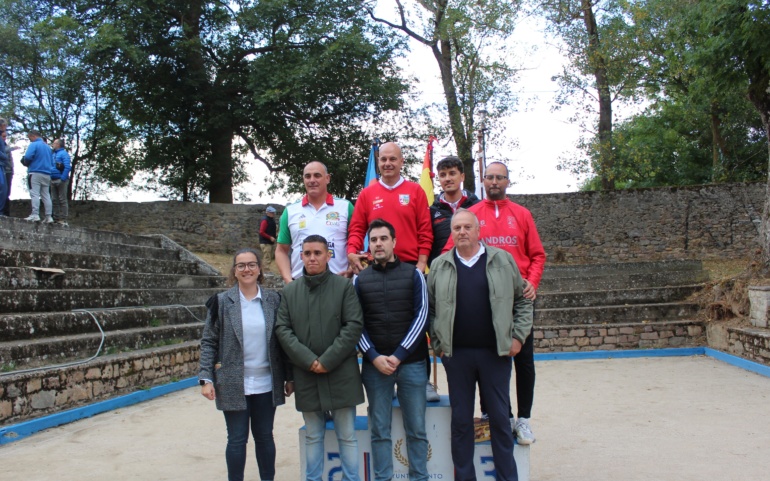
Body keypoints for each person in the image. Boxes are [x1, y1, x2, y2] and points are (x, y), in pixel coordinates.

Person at [443, 161, 546, 445]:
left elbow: (537, 255)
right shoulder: (472, 215)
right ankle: (497, 415)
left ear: (508, 182)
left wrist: (532, 284)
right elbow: (448, 252)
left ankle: (523, 418)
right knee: (491, 359)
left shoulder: (522, 215)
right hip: (485, 300)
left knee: (523, 359)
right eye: (489, 177)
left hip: (518, 299)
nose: (494, 182)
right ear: (482, 180)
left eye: (500, 177)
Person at [428, 209, 533, 481]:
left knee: (499, 419)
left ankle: (506, 477)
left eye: (467, 227)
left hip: (494, 354)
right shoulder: (440, 265)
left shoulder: (502, 260)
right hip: (457, 356)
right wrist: (438, 343)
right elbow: (430, 309)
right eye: (457, 228)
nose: (462, 232)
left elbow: (522, 301)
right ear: (451, 233)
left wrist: (518, 337)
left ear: (478, 230)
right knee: (461, 422)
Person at [198, 248, 293, 481]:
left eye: (252, 264)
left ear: (260, 269)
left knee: (264, 436)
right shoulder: (221, 302)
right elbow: (209, 341)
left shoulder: (274, 300)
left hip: (266, 381)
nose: (247, 269)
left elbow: (284, 341)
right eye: (241, 265)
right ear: (234, 270)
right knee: (237, 438)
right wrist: (206, 378)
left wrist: (289, 376)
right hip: (233, 381)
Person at [275, 235, 364, 481]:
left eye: (317, 253)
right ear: (300, 256)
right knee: (313, 435)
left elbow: (353, 325)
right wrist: (309, 360)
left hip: (341, 374)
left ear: (328, 255)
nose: (312, 257)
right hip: (307, 375)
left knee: (347, 435)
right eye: (307, 253)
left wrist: (327, 360)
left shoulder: (344, 287)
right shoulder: (290, 290)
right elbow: (283, 329)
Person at [354, 218, 429, 481]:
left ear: (394, 242)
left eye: (383, 238)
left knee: (417, 430)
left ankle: (420, 477)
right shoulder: (359, 280)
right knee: (379, 431)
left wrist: (399, 355)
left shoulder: (414, 274)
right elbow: (355, 324)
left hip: (412, 364)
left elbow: (422, 318)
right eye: (373, 240)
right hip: (376, 369)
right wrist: (373, 357)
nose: (378, 244)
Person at [347, 142, 433, 275]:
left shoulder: (416, 191)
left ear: (401, 162)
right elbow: (356, 230)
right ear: (378, 161)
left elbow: (425, 231)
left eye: (392, 159)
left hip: (409, 266)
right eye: (383, 159)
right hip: (376, 266)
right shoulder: (366, 194)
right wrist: (351, 252)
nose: (387, 163)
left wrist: (422, 262)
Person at [275, 161, 354, 283]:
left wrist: (350, 269)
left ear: (327, 178)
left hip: (338, 283)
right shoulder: (290, 211)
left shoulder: (345, 207)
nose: (312, 180)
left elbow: (357, 242)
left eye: (317, 175)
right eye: (308, 176)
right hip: (301, 284)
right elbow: (281, 250)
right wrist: (288, 279)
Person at [428, 155, 480, 265]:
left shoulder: (477, 207)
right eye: (443, 175)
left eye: (452, 173)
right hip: (444, 269)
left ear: (462, 177)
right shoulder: (431, 212)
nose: (447, 179)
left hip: (475, 267)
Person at [21, 130, 55, 223]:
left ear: (33, 136)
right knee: (46, 195)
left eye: (29, 138)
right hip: (47, 173)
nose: (30, 140)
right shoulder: (48, 147)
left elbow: (27, 157)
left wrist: (26, 162)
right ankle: (49, 216)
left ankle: (35, 214)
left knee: (34, 194)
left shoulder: (34, 145)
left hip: (35, 172)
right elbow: (52, 163)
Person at [51, 138, 72, 226]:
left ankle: (64, 218)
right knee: (54, 200)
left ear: (58, 145)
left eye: (54, 143)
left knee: (62, 199)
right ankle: (56, 218)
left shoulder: (64, 154)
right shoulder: (52, 154)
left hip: (61, 180)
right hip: (52, 179)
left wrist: (62, 178)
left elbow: (67, 167)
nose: (52, 144)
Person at [259, 205, 278, 274]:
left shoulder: (270, 220)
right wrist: (270, 237)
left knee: (268, 256)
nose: (273, 214)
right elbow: (261, 231)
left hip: (268, 242)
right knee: (267, 257)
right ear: (268, 213)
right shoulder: (265, 220)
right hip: (265, 242)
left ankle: (265, 270)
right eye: (272, 212)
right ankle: (265, 271)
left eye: (273, 213)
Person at [1, 129, 16, 217]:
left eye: (5, 136)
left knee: (7, 192)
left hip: (8, 171)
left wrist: (11, 170)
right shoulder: (5, 147)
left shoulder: (6, 146)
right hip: (3, 170)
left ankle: (5, 212)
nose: (4, 138)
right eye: (3, 136)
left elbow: (10, 161)